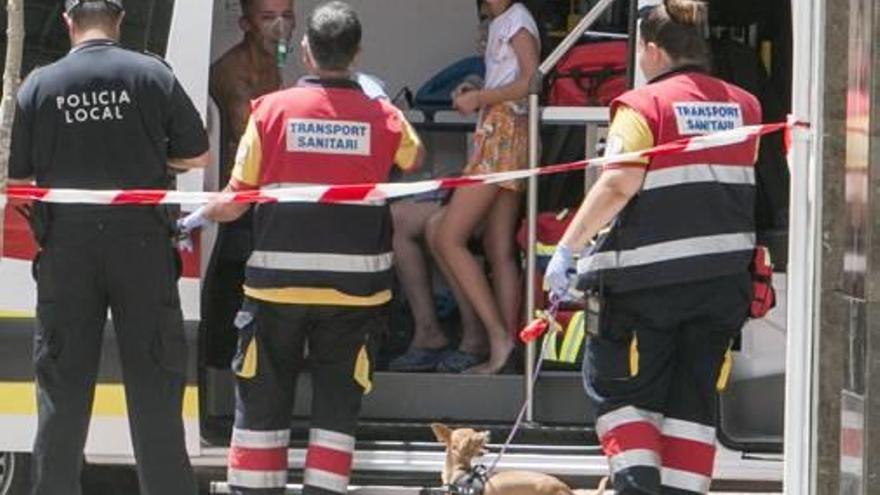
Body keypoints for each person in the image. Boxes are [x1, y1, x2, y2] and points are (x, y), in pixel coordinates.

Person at [182, 2, 423, 493]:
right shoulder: (384, 115)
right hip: (355, 295)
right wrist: (378, 103)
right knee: (337, 408)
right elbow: (413, 158)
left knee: (263, 401)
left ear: (307, 52)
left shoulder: (270, 111)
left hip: (277, 291)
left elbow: (237, 198)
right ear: (357, 53)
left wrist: (194, 216)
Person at [544, 1, 761, 493]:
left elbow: (617, 185)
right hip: (720, 288)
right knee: (692, 408)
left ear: (651, 49)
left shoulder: (643, 107)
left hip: (646, 292)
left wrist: (568, 248)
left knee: (622, 397)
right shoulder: (746, 106)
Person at [7, 1, 210, 494]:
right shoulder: (152, 76)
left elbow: (19, 178)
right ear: (119, 20)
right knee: (155, 393)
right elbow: (198, 152)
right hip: (140, 247)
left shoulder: (40, 83)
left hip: (67, 253)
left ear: (67, 22)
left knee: (61, 394)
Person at [429, 0, 540, 374]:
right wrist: (478, 89)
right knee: (498, 246)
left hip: (502, 132)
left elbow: (530, 81)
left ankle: (498, 336)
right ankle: (508, 348)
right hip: (507, 131)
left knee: (448, 236)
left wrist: (479, 98)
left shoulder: (516, 19)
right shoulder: (503, 21)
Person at [203, 0, 295, 369]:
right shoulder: (234, 71)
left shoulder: (274, 63)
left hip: (262, 192)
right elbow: (249, 133)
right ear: (245, 23)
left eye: (287, 17)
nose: (280, 27)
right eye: (268, 18)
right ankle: (229, 358)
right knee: (234, 278)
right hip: (235, 195)